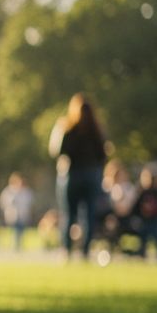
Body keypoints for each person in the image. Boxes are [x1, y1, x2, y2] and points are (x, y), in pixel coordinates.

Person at [48, 94, 108, 260]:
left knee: (68, 214)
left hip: (72, 174)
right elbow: (103, 154)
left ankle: (66, 249)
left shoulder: (67, 127)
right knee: (88, 214)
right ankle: (85, 251)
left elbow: (57, 150)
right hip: (91, 174)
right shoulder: (96, 130)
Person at [133, 167, 157, 261]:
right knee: (143, 237)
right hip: (145, 220)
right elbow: (137, 207)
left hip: (156, 220)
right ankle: (142, 254)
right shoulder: (143, 193)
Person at [0, 173, 34, 252]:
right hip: (12, 215)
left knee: (20, 230)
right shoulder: (9, 192)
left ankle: (18, 245)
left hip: (23, 215)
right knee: (15, 230)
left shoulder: (26, 192)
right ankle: (15, 245)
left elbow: (29, 204)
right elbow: (4, 203)